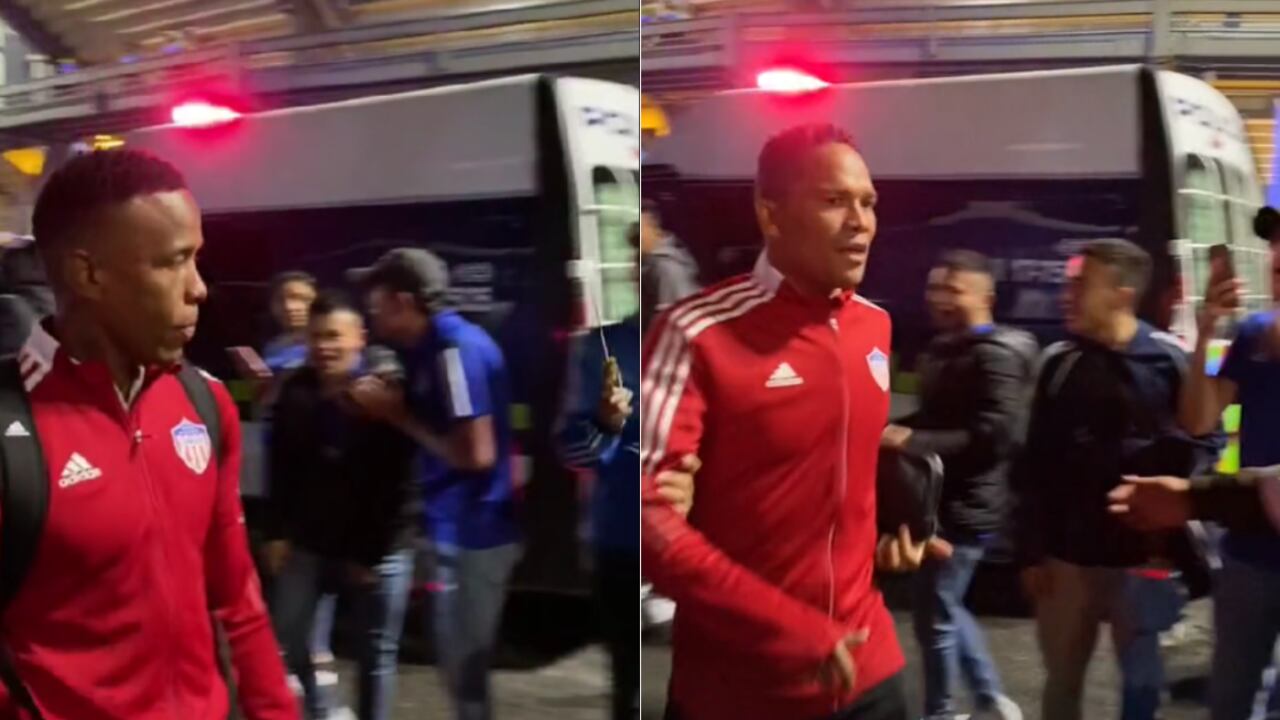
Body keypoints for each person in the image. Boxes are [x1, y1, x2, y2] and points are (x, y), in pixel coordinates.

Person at [640, 123, 947, 720]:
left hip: (869, 668)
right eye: (834, 201)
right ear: (771, 217)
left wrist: (882, 537)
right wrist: (794, 630)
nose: (860, 222)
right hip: (743, 692)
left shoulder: (875, 328)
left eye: (868, 203)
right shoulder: (695, 332)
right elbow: (648, 519)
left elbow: (838, 464)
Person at [0, 148, 296, 718]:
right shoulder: (12, 429)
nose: (199, 288)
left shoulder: (206, 404)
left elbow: (239, 601)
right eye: (172, 263)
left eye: (197, 260)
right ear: (88, 274)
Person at [1015, 239, 1207, 720]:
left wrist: (1177, 508)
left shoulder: (1170, 359)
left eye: (1082, 284)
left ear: (1122, 293)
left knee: (1143, 688)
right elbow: (1033, 462)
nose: (1068, 293)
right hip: (1067, 562)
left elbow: (1209, 441)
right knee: (1061, 683)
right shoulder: (1058, 362)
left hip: (1144, 561)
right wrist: (1031, 550)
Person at [346, 248, 520, 720]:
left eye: (377, 302)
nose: (371, 311)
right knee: (458, 674)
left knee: (464, 679)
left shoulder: (453, 352)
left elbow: (475, 453)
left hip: (473, 538)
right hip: (458, 534)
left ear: (403, 301)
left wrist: (396, 415)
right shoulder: (434, 348)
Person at [884, 250, 1032, 720]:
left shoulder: (997, 356)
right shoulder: (945, 347)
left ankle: (942, 712)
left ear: (986, 296)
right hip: (936, 496)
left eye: (953, 289)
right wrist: (889, 430)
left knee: (935, 617)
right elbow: (938, 416)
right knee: (946, 606)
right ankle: (988, 698)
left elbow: (996, 436)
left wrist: (913, 438)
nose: (940, 298)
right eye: (934, 288)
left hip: (967, 504)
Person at [265, 292, 418, 720]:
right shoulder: (297, 389)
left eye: (334, 336)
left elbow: (400, 487)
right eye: (316, 337)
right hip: (311, 543)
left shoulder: (383, 391)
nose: (324, 346)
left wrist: (369, 555)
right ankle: (323, 710)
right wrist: (276, 530)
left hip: (378, 550)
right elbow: (281, 467)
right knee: (290, 636)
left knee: (376, 655)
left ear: (359, 339)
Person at [1159, 218, 1280, 720]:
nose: (1275, 258)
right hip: (1248, 553)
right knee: (1229, 698)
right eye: (1276, 247)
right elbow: (1199, 419)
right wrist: (1208, 326)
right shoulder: (1255, 334)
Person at [639, 198, 700, 334]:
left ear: (653, 228)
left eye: (640, 230)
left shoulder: (666, 267)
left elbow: (669, 324)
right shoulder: (651, 263)